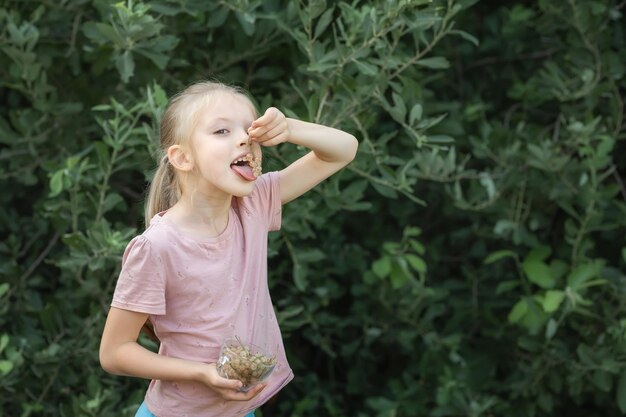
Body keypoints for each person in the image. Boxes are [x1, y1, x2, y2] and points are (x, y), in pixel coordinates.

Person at [99, 81, 359, 417]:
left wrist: (289, 127)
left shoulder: (254, 204)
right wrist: (200, 373)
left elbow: (344, 149)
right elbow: (114, 352)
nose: (244, 139)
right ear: (182, 157)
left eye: (250, 130)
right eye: (222, 130)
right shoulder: (157, 247)